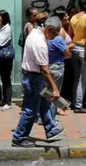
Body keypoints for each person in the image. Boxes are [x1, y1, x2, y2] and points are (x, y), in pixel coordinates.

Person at [11, 16, 66, 148]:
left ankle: (51, 130)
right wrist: (54, 88)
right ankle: (19, 137)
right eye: (56, 32)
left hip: (33, 76)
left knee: (44, 103)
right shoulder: (40, 43)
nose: (57, 36)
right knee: (31, 109)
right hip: (34, 78)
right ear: (50, 29)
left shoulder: (34, 32)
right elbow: (44, 70)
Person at [47, 17, 72, 122]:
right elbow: (66, 53)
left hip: (48, 67)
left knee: (47, 93)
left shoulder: (46, 39)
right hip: (57, 67)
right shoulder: (58, 39)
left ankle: (44, 116)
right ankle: (51, 118)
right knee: (55, 94)